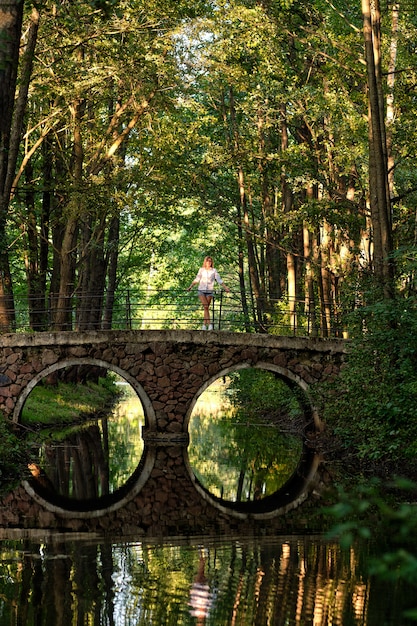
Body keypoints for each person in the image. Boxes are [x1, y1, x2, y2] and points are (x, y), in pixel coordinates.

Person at [187, 256, 230, 330]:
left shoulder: (214, 270)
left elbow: (219, 279)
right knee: (206, 306)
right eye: (208, 261)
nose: (209, 262)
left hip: (209, 291)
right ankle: (210, 324)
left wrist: (225, 287)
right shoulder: (201, 270)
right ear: (205, 262)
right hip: (201, 290)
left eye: (210, 261)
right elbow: (197, 279)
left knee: (206, 308)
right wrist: (190, 287)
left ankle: (204, 325)